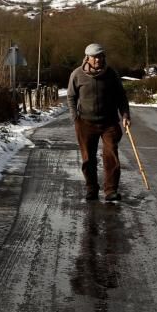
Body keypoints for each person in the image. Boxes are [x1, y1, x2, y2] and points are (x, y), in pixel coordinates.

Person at [67, 43, 131, 202]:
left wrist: (125, 115)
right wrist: (75, 117)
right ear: (87, 58)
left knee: (111, 156)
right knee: (88, 158)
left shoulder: (111, 74)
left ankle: (110, 191)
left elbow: (121, 96)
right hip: (85, 123)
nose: (98, 60)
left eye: (101, 56)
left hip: (109, 123)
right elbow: (71, 97)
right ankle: (91, 188)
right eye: (95, 57)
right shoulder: (77, 74)